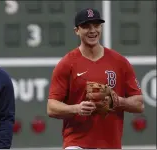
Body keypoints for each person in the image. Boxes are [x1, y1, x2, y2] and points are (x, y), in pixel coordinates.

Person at [47, 8, 144, 149]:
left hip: (110, 144)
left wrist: (115, 100)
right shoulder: (67, 64)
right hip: (77, 142)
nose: (93, 30)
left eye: (96, 25)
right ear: (77, 31)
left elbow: (139, 104)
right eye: (86, 26)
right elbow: (51, 107)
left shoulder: (119, 62)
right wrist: (77, 108)